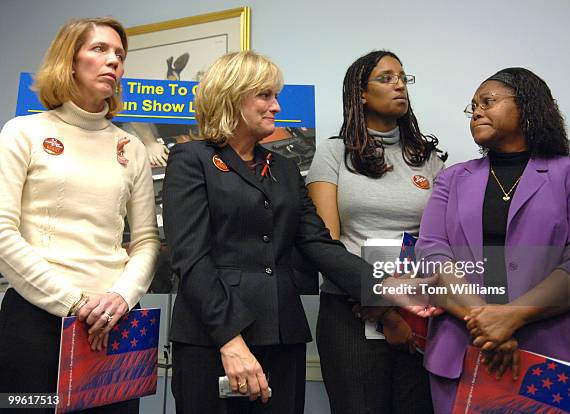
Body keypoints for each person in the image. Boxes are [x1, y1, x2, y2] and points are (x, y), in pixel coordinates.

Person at [162, 50, 403, 414]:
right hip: (213, 338)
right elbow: (191, 258)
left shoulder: (285, 168)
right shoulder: (191, 160)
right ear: (231, 95)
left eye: (276, 96)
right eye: (265, 95)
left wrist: (386, 286)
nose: (276, 106)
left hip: (281, 334)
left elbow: (317, 244)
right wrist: (230, 340)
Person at [415, 67, 570, 413]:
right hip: (461, 354)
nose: (476, 111)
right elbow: (432, 254)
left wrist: (514, 316)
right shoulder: (452, 179)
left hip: (554, 357)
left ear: (528, 108)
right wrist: (488, 321)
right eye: (473, 105)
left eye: (488, 101)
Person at [0, 17, 160, 413]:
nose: (114, 62)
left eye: (120, 55)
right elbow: (3, 232)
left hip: (117, 321)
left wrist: (122, 297)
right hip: (37, 323)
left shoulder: (131, 147)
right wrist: (74, 302)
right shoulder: (22, 132)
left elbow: (145, 240)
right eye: (100, 50)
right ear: (69, 61)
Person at [306, 50, 445, 414]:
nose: (399, 84)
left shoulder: (429, 160)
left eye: (402, 77)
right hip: (352, 311)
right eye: (386, 78)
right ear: (361, 94)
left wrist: (405, 314)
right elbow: (326, 243)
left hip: (420, 313)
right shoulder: (333, 154)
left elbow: (442, 243)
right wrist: (385, 311)